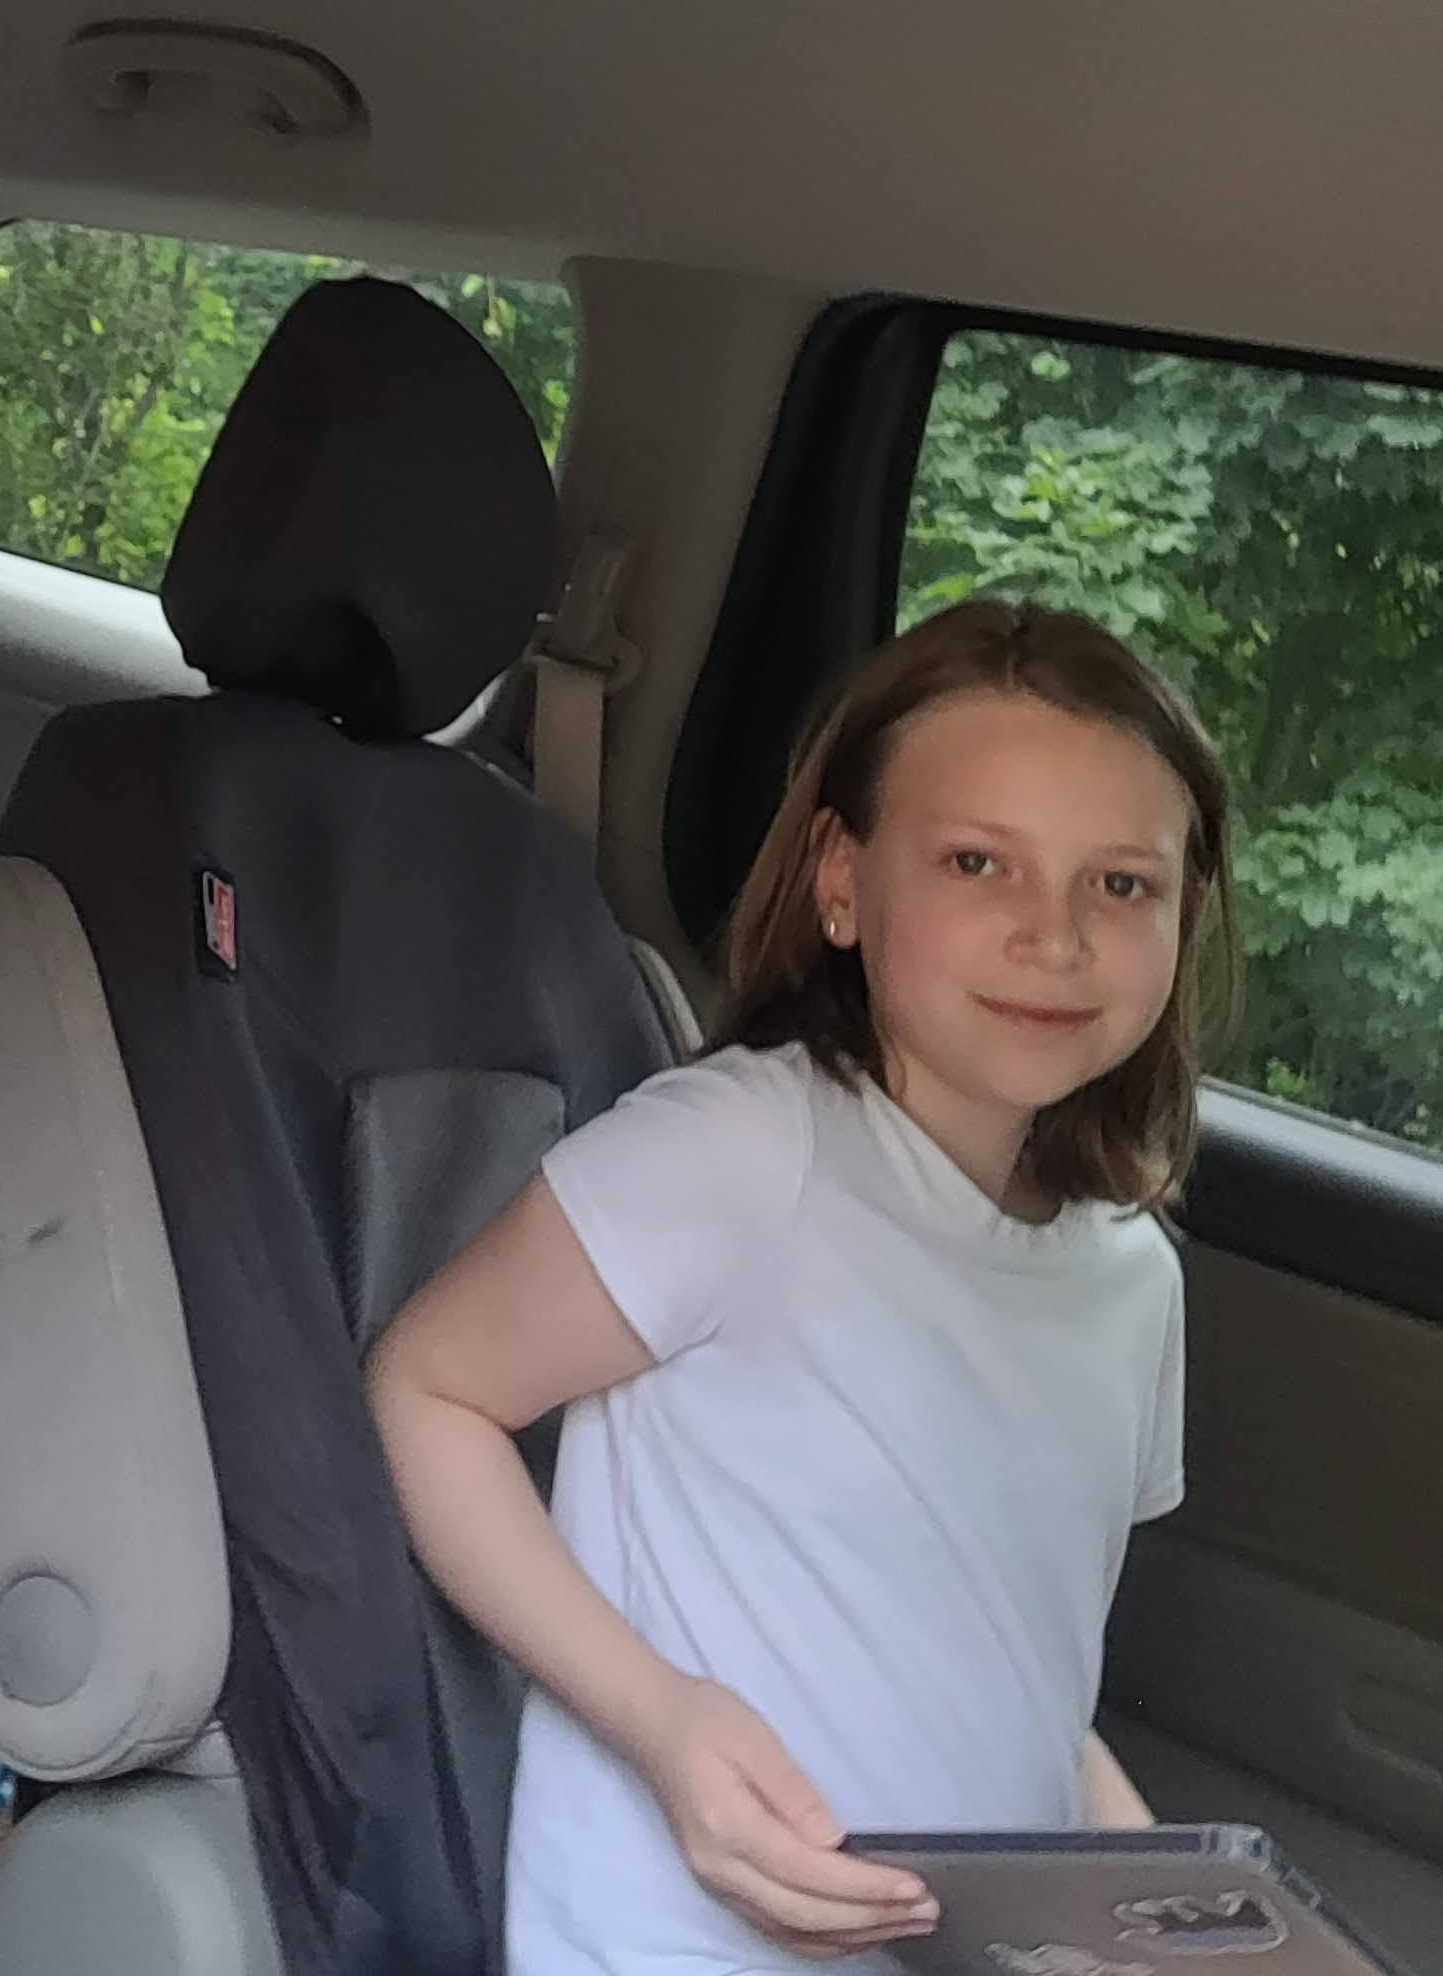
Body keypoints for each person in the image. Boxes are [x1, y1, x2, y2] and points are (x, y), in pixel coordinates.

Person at [368, 599, 1237, 1976]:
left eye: (1121, 885)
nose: (1055, 936)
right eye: (976, 863)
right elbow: (426, 1391)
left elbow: (1019, 1674)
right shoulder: (744, 1153)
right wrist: (660, 1720)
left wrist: (1156, 1919)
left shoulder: (1129, 1278)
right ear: (844, 880)